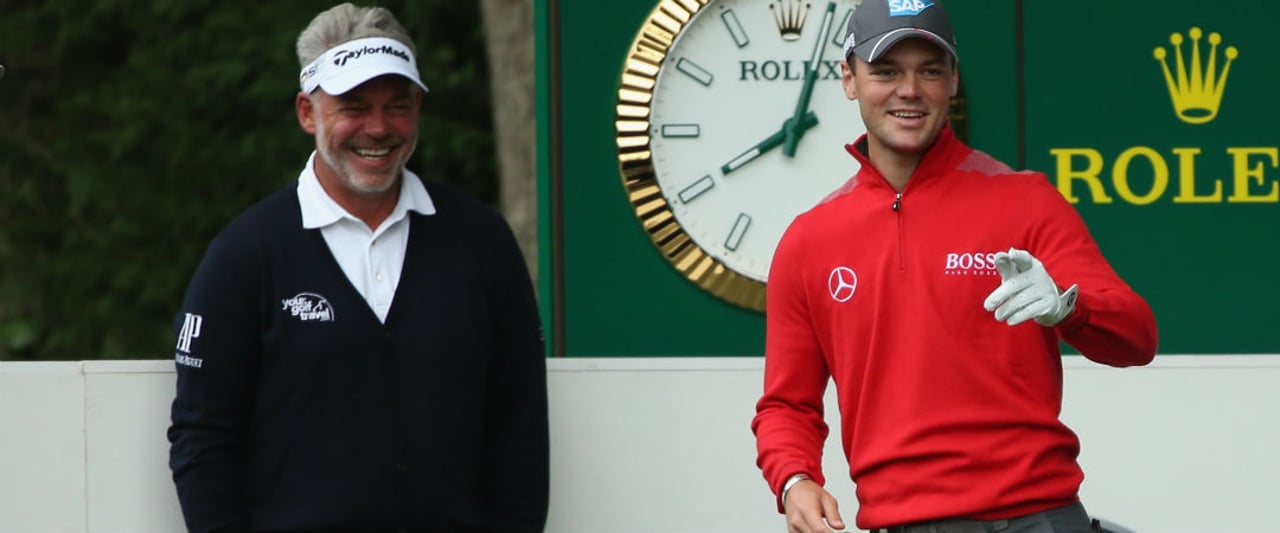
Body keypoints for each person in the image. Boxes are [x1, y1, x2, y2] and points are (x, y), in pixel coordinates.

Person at [751, 1, 1158, 532]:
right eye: (886, 72)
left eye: (929, 71)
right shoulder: (810, 240)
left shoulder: (1026, 201)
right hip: (907, 522)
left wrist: (1069, 311)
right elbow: (787, 404)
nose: (909, 90)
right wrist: (794, 479)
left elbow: (1137, 338)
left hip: (1038, 516)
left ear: (954, 80)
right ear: (849, 79)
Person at [166, 4, 548, 532]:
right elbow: (203, 440)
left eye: (397, 106)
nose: (378, 128)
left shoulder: (482, 244)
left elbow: (519, 430)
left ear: (418, 107)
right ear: (307, 112)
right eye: (354, 106)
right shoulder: (245, 255)